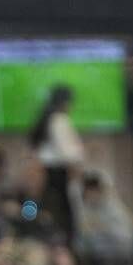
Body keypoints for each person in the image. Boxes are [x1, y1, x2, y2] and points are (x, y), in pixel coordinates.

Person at [30, 85, 84, 239]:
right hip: (58, 174)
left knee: (54, 214)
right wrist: (76, 166)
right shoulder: (58, 120)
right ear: (64, 102)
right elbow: (68, 153)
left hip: (54, 174)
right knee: (63, 218)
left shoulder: (49, 119)